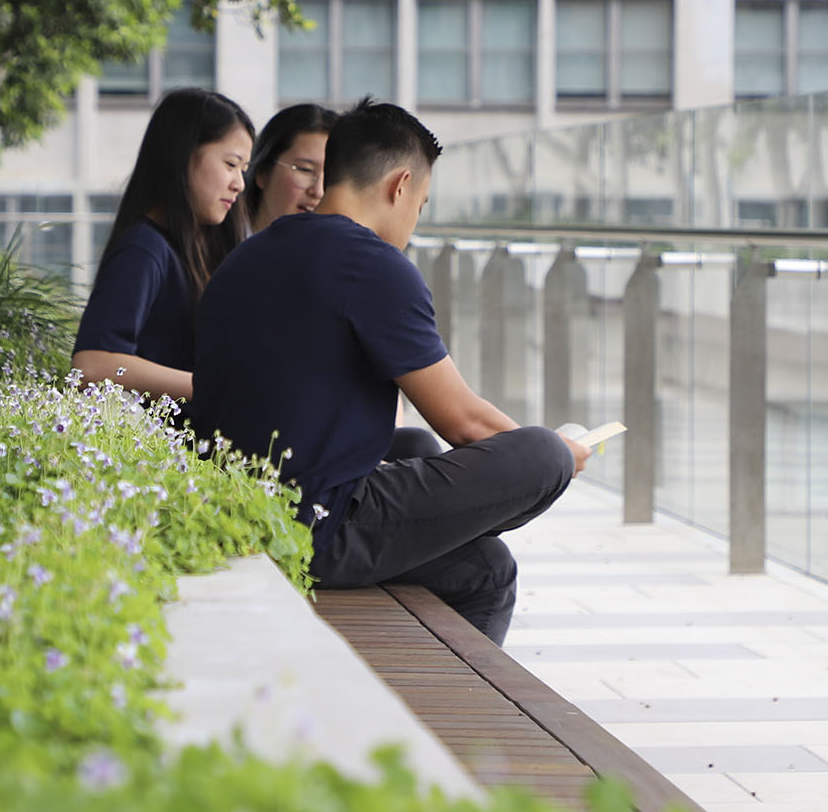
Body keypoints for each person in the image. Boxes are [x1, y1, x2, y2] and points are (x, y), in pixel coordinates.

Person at [190, 98, 590, 644]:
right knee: (539, 452)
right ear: (401, 186)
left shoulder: (250, 254)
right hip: (314, 527)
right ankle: (449, 723)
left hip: (238, 503)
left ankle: (430, 708)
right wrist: (560, 460)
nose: (413, 223)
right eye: (420, 206)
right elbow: (465, 422)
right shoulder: (374, 265)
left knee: (481, 562)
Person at [72, 87, 255, 402]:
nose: (239, 183)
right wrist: (211, 387)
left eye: (243, 170)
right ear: (183, 155)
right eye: (230, 164)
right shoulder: (144, 250)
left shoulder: (193, 248)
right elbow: (92, 365)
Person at [244, 103, 337, 231]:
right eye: (305, 170)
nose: (318, 192)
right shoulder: (221, 247)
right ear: (263, 172)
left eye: (332, 176)